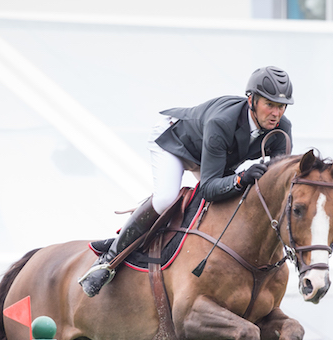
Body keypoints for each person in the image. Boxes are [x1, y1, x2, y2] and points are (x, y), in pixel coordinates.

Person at [78, 66, 294, 296]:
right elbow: (210, 188)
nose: (276, 113)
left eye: (281, 106)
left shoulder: (282, 130)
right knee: (166, 199)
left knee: (227, 204)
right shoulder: (223, 121)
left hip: (210, 154)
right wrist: (241, 178)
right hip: (175, 141)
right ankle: (108, 260)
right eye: (269, 104)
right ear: (251, 100)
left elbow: (277, 188)